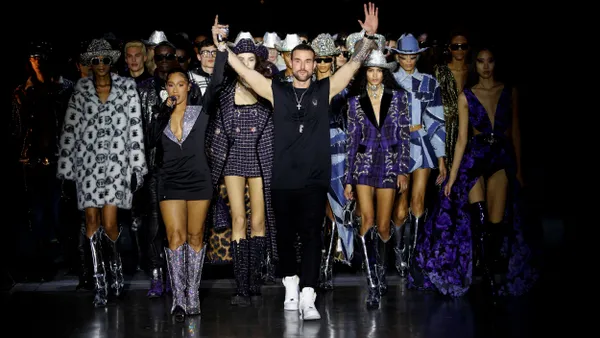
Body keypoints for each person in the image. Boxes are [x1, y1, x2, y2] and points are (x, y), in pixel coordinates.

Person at [212, 2, 379, 320]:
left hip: (315, 178)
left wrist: (368, 38)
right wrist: (222, 46)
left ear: (315, 64)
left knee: (313, 236)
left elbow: (354, 65)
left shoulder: (325, 88)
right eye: (298, 60)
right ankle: (290, 287)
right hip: (283, 179)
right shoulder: (277, 91)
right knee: (286, 238)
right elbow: (246, 72)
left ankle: (308, 295)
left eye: (308, 61)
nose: (303, 65)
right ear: (290, 62)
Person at [57, 39, 148, 307]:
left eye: (104, 60)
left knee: (110, 222)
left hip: (117, 164)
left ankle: (116, 271)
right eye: (94, 60)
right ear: (89, 63)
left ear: (111, 61)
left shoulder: (126, 87)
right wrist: (66, 170)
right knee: (91, 220)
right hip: (87, 164)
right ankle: (99, 282)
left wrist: (137, 167)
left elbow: (135, 130)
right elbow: (70, 131)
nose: (99, 65)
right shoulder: (81, 90)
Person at [146, 54, 225, 321]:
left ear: (188, 87)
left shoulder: (201, 111)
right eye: (171, 85)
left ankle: (193, 294)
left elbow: (216, 83)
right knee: (174, 237)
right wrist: (163, 111)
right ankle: (179, 298)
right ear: (165, 88)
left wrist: (221, 49)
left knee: (195, 236)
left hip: (199, 180)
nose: (176, 89)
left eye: (181, 84)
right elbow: (150, 141)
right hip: (170, 180)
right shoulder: (161, 113)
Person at [344, 48, 410, 308]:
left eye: (378, 71)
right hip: (363, 164)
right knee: (367, 220)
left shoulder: (399, 99)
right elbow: (351, 142)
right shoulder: (354, 101)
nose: (373, 75)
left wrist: (403, 169)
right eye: (370, 70)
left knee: (383, 226)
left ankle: (381, 272)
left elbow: (405, 136)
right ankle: (372, 282)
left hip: (390, 164)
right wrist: (348, 178)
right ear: (365, 73)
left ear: (384, 73)